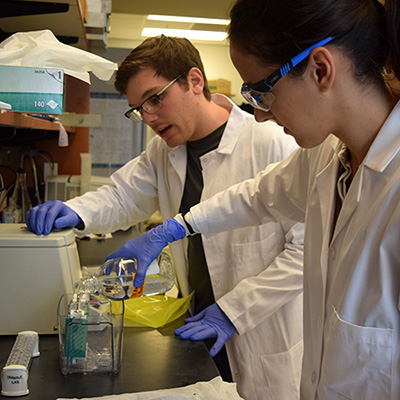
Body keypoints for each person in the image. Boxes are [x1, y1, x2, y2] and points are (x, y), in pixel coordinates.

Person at [98, 0, 400, 398]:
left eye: (262, 91)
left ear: (321, 70)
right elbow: (256, 196)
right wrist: (176, 227)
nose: (259, 115)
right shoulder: (326, 157)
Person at [26, 35, 304, 400]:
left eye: (156, 98)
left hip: (262, 331)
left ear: (194, 81)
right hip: (198, 325)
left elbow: (303, 253)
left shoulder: (273, 143)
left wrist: (233, 311)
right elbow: (122, 195)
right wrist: (76, 211)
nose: (149, 117)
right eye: (139, 108)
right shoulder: (164, 150)